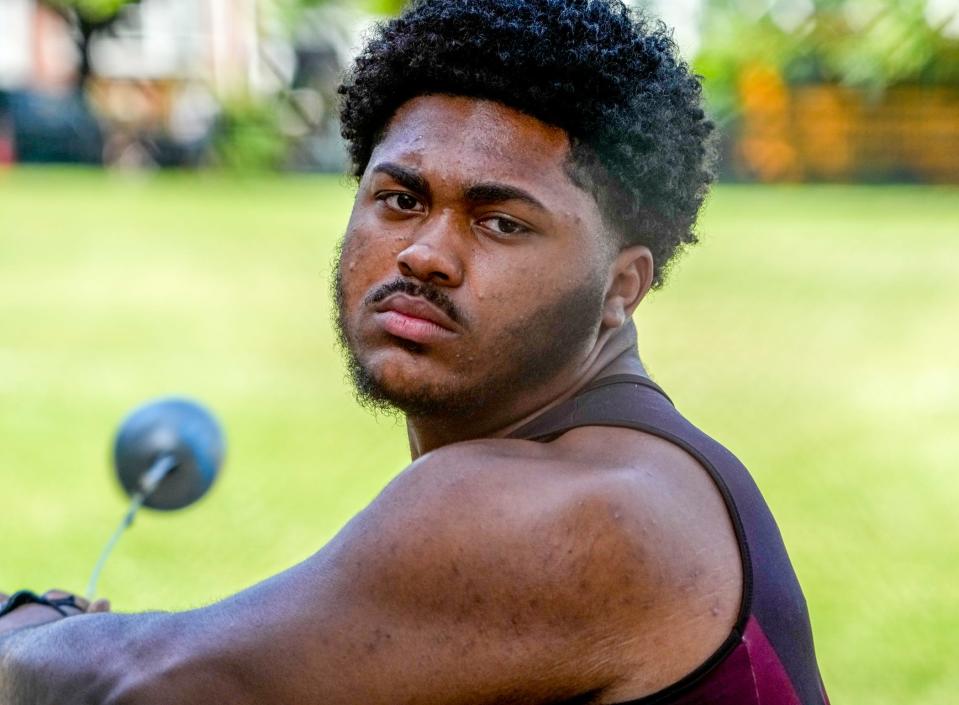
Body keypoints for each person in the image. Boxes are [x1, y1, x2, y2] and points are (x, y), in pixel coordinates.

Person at [0, 1, 830, 703]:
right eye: (399, 198)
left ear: (623, 286)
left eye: (500, 220)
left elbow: (146, 683)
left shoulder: (578, 506)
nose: (426, 252)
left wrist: (24, 623)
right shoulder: (626, 462)